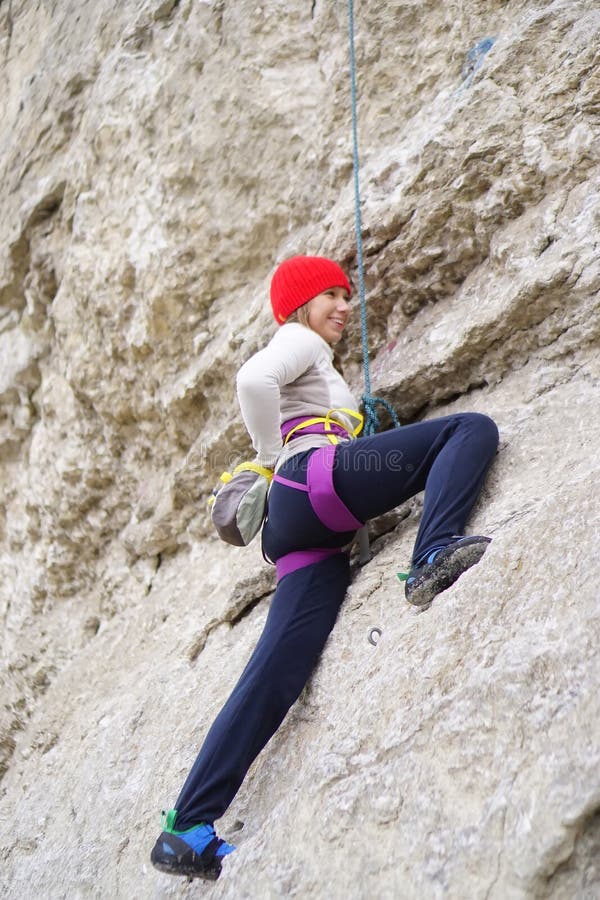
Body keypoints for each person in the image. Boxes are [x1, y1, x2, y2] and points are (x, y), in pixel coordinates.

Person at [150, 255, 499, 880]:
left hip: (301, 526)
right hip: (311, 478)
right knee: (468, 429)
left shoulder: (314, 357)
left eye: (347, 294)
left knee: (278, 669)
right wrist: (270, 454)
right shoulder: (298, 340)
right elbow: (253, 380)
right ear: (298, 306)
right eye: (329, 295)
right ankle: (433, 553)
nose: (343, 305)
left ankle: (187, 828)